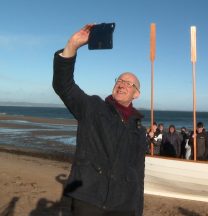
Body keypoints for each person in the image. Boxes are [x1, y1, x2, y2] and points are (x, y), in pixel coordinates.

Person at [52, 24, 146, 215]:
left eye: (129, 84)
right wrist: (72, 46)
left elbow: (138, 174)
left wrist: (137, 209)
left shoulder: (139, 130)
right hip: (88, 200)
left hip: (123, 206)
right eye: (119, 81)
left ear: (136, 94)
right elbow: (64, 85)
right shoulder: (93, 107)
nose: (122, 85)